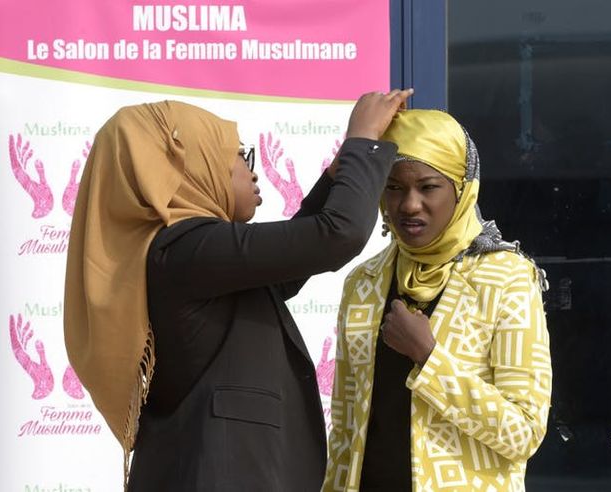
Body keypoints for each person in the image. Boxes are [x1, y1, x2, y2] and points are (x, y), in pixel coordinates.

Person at [63, 89, 413, 491]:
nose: (252, 172)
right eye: (237, 155)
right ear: (191, 167)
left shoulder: (182, 254)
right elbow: (339, 234)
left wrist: (337, 176)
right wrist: (361, 141)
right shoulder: (187, 249)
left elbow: (281, 275)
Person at [322, 109, 552, 492]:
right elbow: (346, 432)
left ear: (461, 190)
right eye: (394, 188)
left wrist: (429, 358)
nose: (409, 205)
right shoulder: (363, 282)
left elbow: (523, 433)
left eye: (428, 187)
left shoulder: (505, 278)